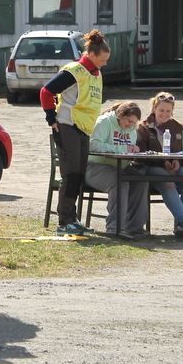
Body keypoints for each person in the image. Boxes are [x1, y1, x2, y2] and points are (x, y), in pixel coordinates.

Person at [40, 30, 110, 236]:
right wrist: (51, 118)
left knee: (79, 175)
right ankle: (64, 221)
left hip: (83, 129)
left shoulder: (96, 74)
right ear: (93, 55)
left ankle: (73, 218)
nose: (105, 63)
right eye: (103, 60)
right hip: (67, 125)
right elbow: (46, 91)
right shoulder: (75, 70)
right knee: (69, 175)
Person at [136, 91, 183, 237]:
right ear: (154, 109)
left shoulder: (179, 127)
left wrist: (179, 161)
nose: (164, 114)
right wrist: (163, 162)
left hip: (177, 166)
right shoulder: (143, 127)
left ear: (172, 111)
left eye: (168, 111)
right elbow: (140, 155)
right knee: (168, 183)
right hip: (153, 168)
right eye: (161, 110)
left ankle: (182, 227)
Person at [86, 101, 149, 239]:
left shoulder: (132, 129)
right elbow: (93, 145)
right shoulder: (104, 122)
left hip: (120, 166)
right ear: (120, 115)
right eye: (128, 121)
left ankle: (134, 228)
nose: (131, 125)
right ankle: (115, 228)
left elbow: (128, 148)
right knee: (120, 182)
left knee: (141, 181)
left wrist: (134, 150)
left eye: (134, 123)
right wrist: (121, 149)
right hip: (95, 167)